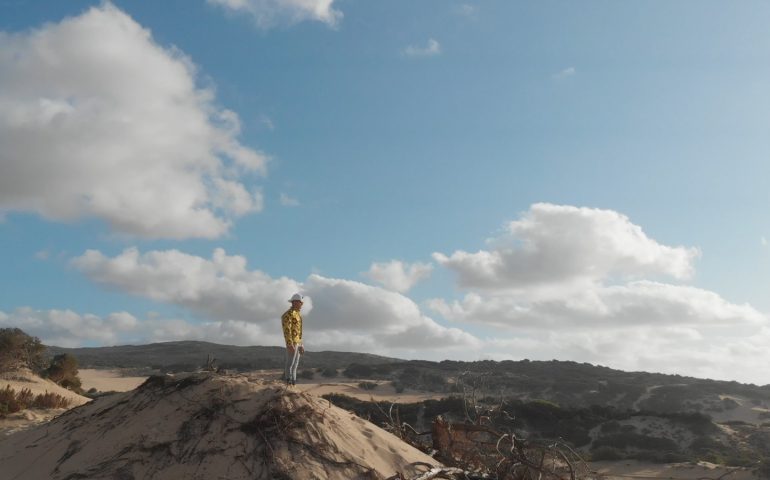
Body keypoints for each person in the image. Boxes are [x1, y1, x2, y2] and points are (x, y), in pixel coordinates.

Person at [281, 293, 305, 385]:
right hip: (292, 343)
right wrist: (289, 344)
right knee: (290, 364)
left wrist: (301, 344)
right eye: (300, 302)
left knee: (295, 365)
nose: (302, 305)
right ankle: (288, 383)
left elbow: (299, 331)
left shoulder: (298, 315)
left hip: (298, 342)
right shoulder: (287, 315)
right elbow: (287, 330)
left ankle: (293, 383)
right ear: (295, 302)